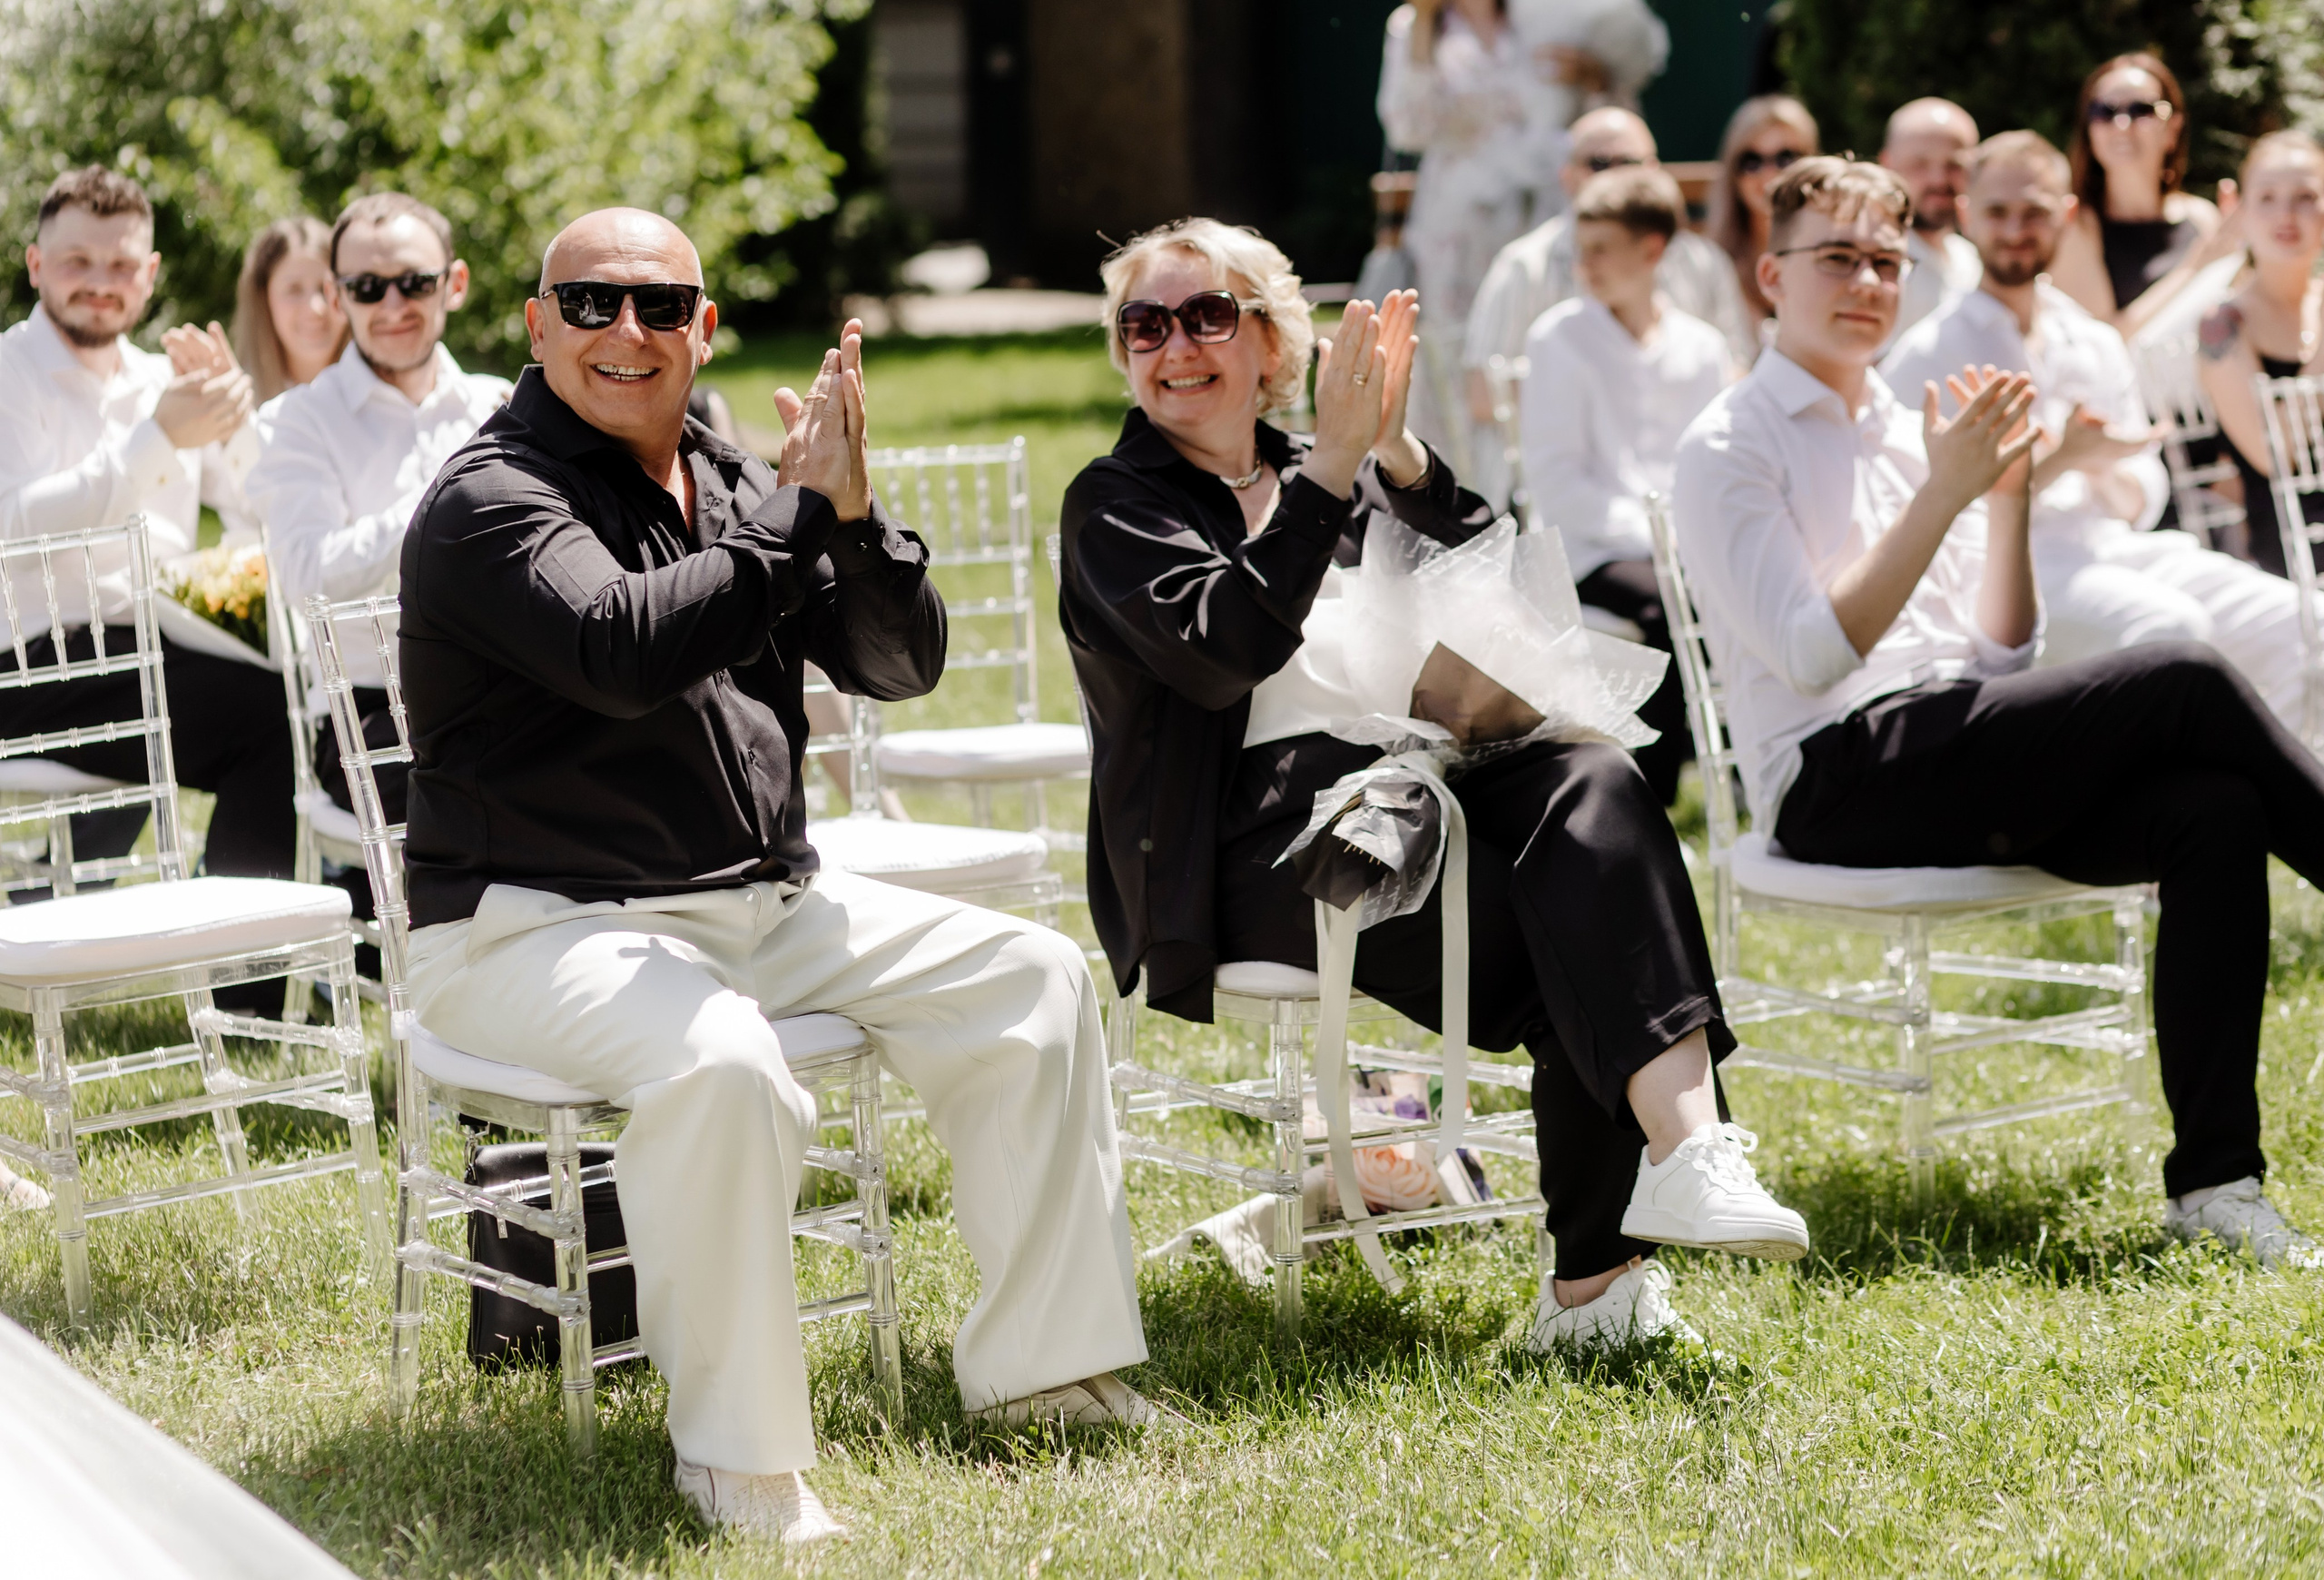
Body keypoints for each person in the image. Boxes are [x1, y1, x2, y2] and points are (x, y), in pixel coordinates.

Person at [399, 208, 1154, 1545]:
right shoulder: (489, 499)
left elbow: (897, 667)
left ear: (703, 327)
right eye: (588, 303)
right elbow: (623, 652)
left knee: (1029, 977)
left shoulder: (737, 479)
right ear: (532, 322)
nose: (623, 330)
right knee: (726, 1067)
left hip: (762, 901)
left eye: (658, 304)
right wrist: (794, 514)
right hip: (531, 930)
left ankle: (1047, 1374)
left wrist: (850, 521)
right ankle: (740, 1464)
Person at [1061, 217, 1809, 1357]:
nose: (1175, 346)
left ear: (1271, 344)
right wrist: (1325, 470)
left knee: (1596, 781)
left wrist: (1395, 455)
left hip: (1418, 799)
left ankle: (1687, 1157)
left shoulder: (1337, 472)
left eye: (1208, 315)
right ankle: (1596, 1287)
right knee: (1584, 930)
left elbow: (1500, 583)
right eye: (1144, 325)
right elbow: (1221, 650)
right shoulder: (1119, 503)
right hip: (1246, 854)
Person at [1674, 155, 2324, 1270]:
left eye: (1887, 261)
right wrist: (1944, 492)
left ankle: (2215, 1186)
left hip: (1955, 740)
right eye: (1838, 258)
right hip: (1837, 779)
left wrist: (2007, 499)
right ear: (1769, 275)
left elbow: (2000, 650)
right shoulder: (1729, 441)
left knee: (2211, 811)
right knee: (2184, 673)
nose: (1869, 283)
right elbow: (1812, 650)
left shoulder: (1904, 422)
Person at [1885, 132, 2309, 726]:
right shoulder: (1926, 354)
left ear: (2066, 214)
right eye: (1997, 212)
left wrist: (2101, 464)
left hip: (2117, 549)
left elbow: (2144, 491)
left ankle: (2284, 805)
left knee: (2299, 619)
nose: (2014, 230)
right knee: (2170, 629)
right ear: (1965, 214)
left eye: (2033, 212)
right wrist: (2061, 460)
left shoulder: (2092, 339)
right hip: (2002, 579)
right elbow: (1922, 518)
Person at [0, 166, 291, 884]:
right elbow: (17, 527)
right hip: (26, 665)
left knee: (286, 709)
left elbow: (263, 507)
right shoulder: (9, 371)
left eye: (123, 264)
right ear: (36, 264)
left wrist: (233, 421)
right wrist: (155, 437)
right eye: (78, 261)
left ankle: (244, 979)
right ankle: (240, 980)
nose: (101, 281)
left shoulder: (160, 380)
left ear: (151, 273)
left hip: (151, 652)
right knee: (266, 723)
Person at [248, 193, 509, 835]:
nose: (392, 306)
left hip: (518, 690)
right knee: (500, 793)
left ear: (454, 284)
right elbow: (307, 577)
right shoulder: (296, 422)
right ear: (339, 300)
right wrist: (451, 501)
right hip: (374, 712)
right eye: (367, 287)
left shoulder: (498, 406)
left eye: (413, 283)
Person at [1377, 0, 1669, 474]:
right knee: (1455, 365)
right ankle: (1464, 497)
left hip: (1550, 224)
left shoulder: (1555, 13)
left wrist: (1596, 80)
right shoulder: (1415, 25)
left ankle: (1561, 476)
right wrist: (1426, 25)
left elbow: (1605, 124)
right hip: (1458, 235)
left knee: (1549, 343)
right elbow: (1408, 126)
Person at [1520, 165, 1734, 801]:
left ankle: (1744, 766)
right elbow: (1557, 480)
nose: (1585, 265)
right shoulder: (1559, 339)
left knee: (1728, 590)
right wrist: (1659, 538)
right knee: (1673, 601)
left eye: (1601, 250)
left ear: (1652, 250)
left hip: (1684, 544)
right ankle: (1658, 795)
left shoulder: (1701, 347)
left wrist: (1689, 539)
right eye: (1580, 249)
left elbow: (1712, 464)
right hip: (1586, 548)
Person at [1464, 105, 1756, 436]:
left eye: (1629, 163)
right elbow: (1483, 395)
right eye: (1598, 164)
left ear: (1654, 169)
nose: (1614, 175)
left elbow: (1737, 372)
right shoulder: (1523, 265)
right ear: (1567, 176)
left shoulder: (1702, 262)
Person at [2198, 132, 2324, 582]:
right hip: (2297, 554)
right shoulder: (2223, 324)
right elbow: (2276, 455)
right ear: (2240, 210)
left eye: (2306, 196)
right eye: (2267, 197)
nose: (2286, 214)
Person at [2049, 53, 2244, 340]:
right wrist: (2193, 269)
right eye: (2104, 111)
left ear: (2173, 129)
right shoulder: (2075, 228)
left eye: (2142, 110)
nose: (2122, 125)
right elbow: (2105, 345)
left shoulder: (2202, 217)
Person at [1704, 94, 1819, 346]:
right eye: (1751, 161)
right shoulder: (1711, 263)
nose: (1769, 174)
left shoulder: (1832, 253)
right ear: (1733, 174)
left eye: (1786, 158)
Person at [1877, 98, 1984, 348]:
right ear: (1887, 164)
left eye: (1954, 165)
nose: (1939, 179)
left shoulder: (1974, 260)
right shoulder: (1867, 263)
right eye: (1920, 164)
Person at [230, 217, 348, 404]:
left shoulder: (386, 399)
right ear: (263, 298)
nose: (315, 308)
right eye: (294, 289)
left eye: (326, 289)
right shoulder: (235, 409)